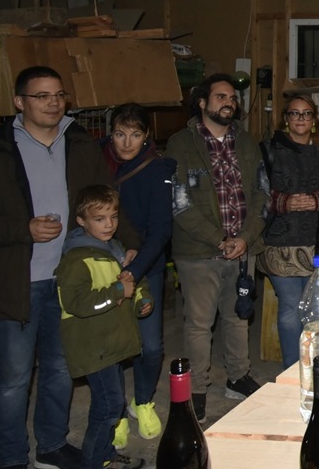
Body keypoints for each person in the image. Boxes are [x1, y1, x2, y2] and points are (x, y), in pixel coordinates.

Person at [0, 66, 135, 469]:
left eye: (59, 95)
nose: (53, 102)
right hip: (17, 282)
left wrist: (129, 246)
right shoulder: (3, 147)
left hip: (68, 281)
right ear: (20, 102)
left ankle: (52, 445)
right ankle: (10, 458)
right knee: (14, 381)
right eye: (42, 96)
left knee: (60, 370)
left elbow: (105, 198)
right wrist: (22, 229)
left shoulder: (79, 142)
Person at [165, 74, 267, 423]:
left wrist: (245, 238)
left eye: (233, 98)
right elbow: (178, 202)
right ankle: (197, 388)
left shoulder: (247, 141)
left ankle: (238, 377)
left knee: (239, 316)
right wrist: (218, 240)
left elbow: (261, 193)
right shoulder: (181, 143)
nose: (229, 102)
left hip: (242, 249)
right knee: (198, 324)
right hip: (199, 252)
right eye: (221, 96)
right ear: (203, 103)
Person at [55, 185, 151, 469]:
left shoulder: (114, 249)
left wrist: (141, 300)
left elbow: (132, 282)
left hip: (109, 343)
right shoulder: (76, 259)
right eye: (99, 218)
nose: (109, 224)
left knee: (112, 403)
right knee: (108, 407)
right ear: (82, 221)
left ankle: (105, 454)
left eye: (113, 216)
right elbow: (76, 302)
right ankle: (93, 461)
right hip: (92, 346)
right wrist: (118, 291)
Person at [259, 94, 319, 368]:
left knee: (318, 311)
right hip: (282, 244)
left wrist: (318, 199)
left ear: (314, 120)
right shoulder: (268, 149)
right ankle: (293, 368)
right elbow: (255, 191)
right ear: (286, 119)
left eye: (306, 114)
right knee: (290, 309)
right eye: (294, 113)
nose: (300, 119)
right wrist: (284, 201)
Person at [100, 104, 175, 446]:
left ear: (146, 136)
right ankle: (114, 413)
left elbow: (160, 231)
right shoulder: (98, 163)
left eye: (134, 134)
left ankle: (142, 401)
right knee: (112, 347)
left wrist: (133, 271)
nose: (126, 142)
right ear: (110, 134)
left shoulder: (157, 169)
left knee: (151, 346)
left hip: (146, 269)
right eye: (119, 134)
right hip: (103, 270)